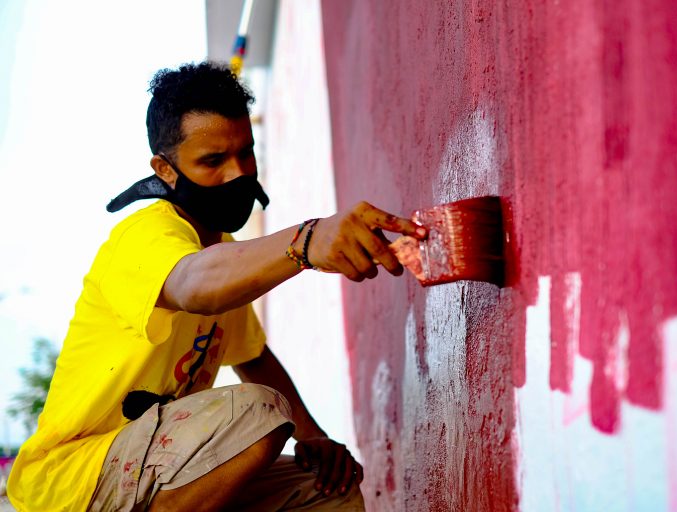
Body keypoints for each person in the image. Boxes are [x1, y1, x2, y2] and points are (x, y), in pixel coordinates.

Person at [7, 62, 426, 511]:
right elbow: (193, 283)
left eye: (245, 153)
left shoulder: (222, 250)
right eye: (212, 161)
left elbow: (253, 356)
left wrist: (314, 437)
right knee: (259, 413)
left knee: (326, 489)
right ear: (165, 170)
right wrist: (305, 241)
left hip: (153, 477)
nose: (238, 174)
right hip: (73, 482)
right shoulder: (144, 236)